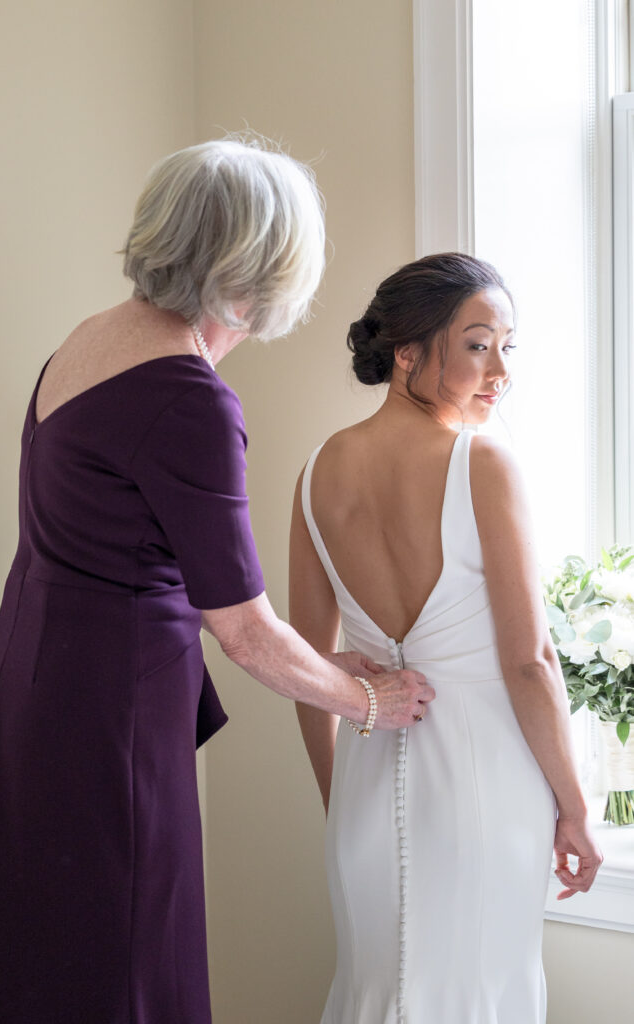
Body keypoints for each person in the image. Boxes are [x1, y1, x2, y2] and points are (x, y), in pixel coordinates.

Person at [0, 138, 433, 1024]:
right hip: (107, 716)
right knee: (124, 955)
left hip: (29, 685)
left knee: (44, 945)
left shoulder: (88, 339)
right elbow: (242, 628)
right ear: (262, 265)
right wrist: (365, 702)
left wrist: (329, 666)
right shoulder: (188, 397)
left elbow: (132, 557)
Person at [289, 252, 603, 1024]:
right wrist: (572, 808)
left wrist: (340, 801)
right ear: (407, 352)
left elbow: (306, 668)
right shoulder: (483, 462)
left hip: (362, 790)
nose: (499, 369)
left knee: (376, 992)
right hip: (484, 790)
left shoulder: (316, 471)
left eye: (506, 346)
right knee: (476, 997)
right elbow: (527, 664)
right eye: (475, 344)